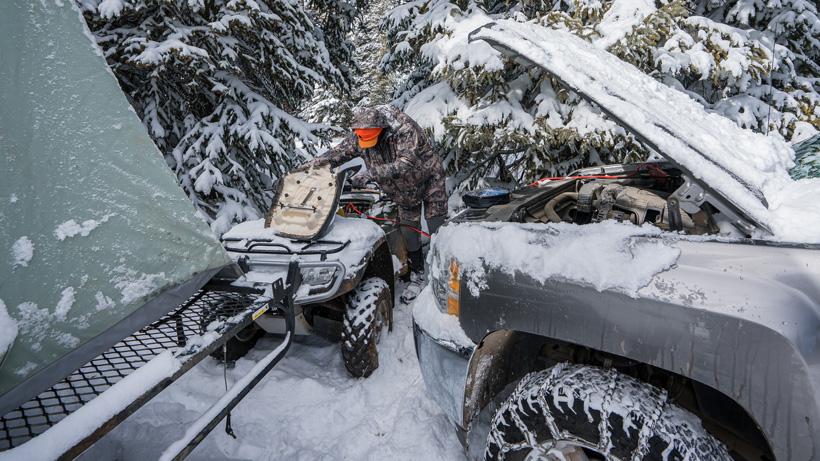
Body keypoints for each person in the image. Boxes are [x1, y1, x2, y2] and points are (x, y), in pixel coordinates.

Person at [303, 105, 447, 302]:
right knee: (408, 231)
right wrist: (307, 168)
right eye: (362, 138)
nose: (365, 142)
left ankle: (444, 274)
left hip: (429, 179)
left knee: (436, 229)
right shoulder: (361, 135)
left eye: (371, 137)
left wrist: (371, 174)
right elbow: (337, 154)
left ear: (382, 129)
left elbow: (406, 164)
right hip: (403, 191)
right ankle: (418, 274)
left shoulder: (405, 131)